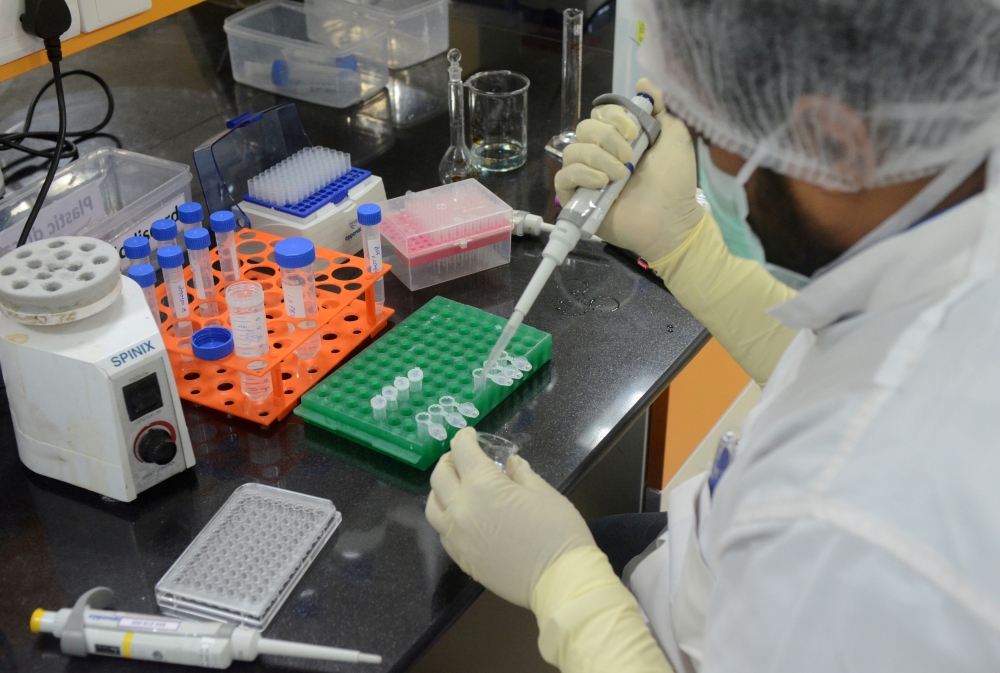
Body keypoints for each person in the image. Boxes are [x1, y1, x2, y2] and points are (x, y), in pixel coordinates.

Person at [426, 0, 1000, 670]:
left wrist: (567, 583)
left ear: (834, 144)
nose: (701, 158)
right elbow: (855, 367)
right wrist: (686, 247)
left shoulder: (846, 534)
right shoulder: (961, 191)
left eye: (710, 129)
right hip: (703, 566)